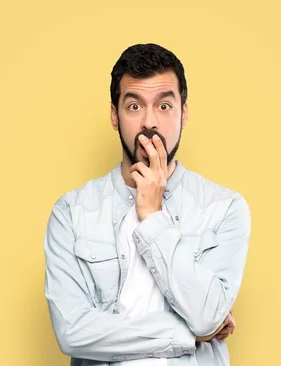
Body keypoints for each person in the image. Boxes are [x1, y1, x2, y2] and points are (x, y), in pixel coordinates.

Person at [44, 43, 251, 365]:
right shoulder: (72, 212)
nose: (149, 122)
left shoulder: (224, 208)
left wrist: (153, 215)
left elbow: (208, 317)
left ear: (184, 113)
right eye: (134, 106)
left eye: (164, 106)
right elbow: (72, 332)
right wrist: (185, 334)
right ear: (115, 115)